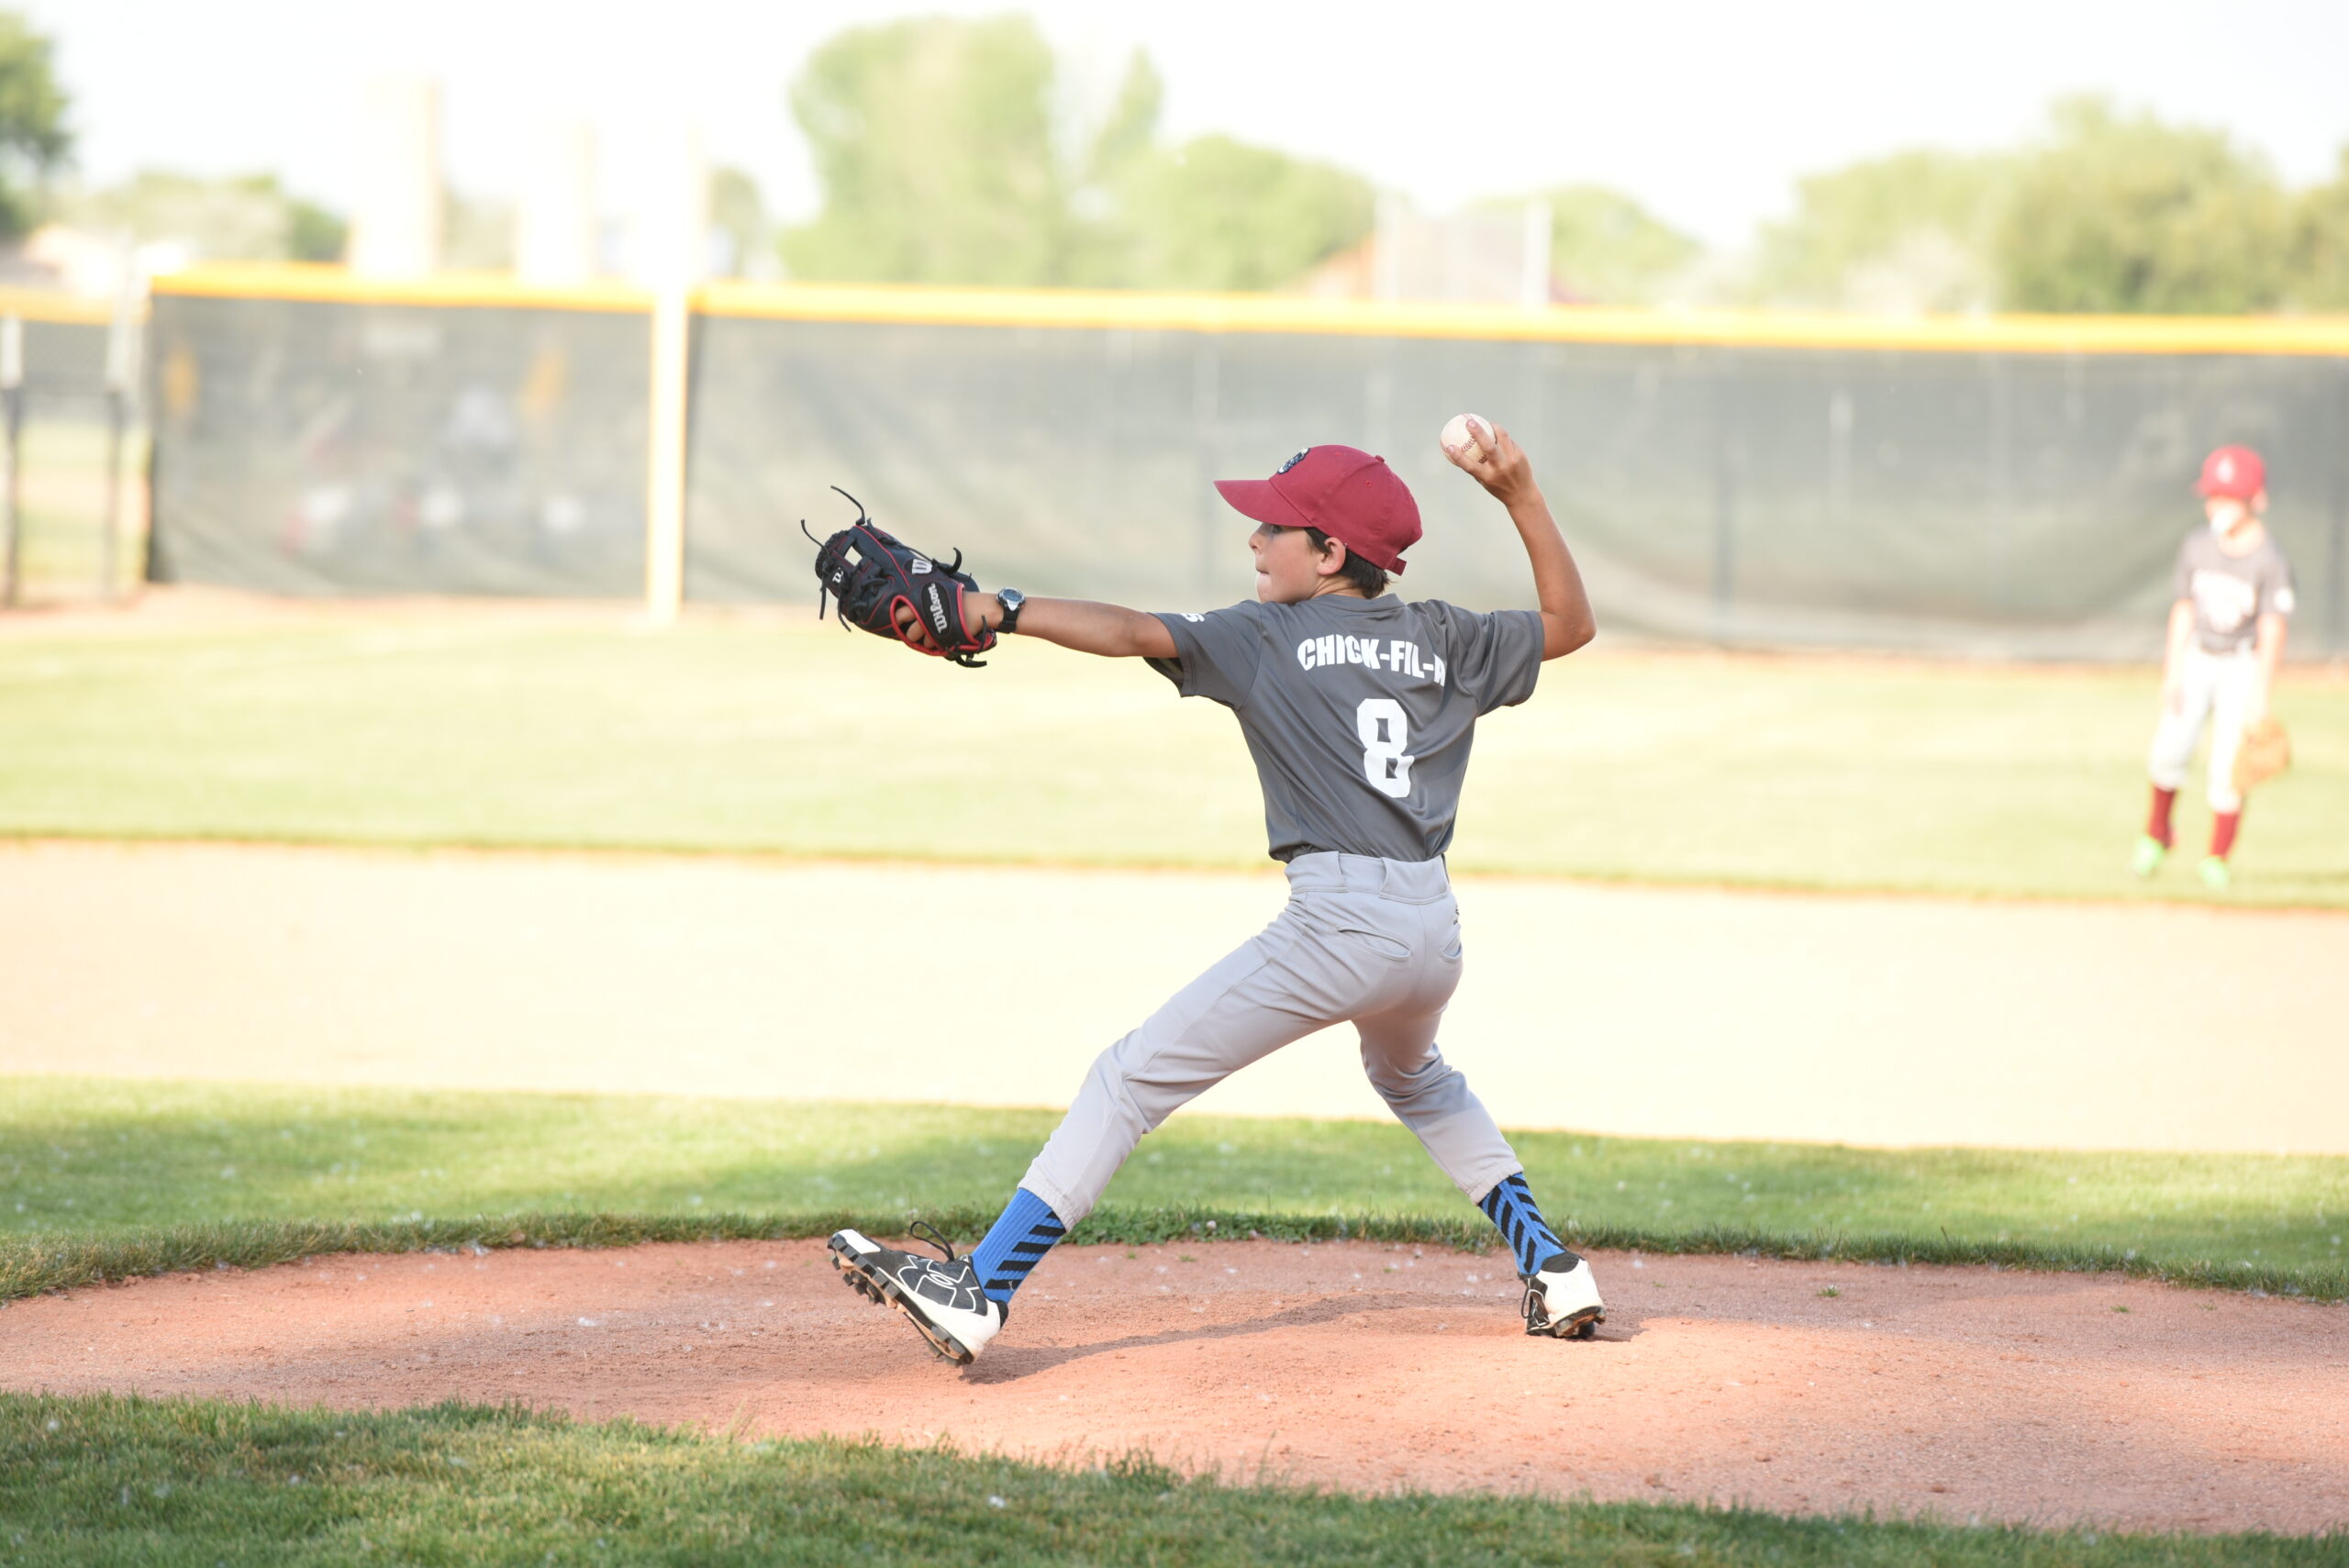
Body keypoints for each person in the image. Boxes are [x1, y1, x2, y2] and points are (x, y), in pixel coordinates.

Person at [828, 420, 1608, 1364]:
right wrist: (1520, 492)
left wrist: (999, 606)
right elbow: (1571, 625)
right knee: (1414, 1075)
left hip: (1338, 924)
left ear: (1328, 553)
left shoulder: (1267, 634)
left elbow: (1126, 632)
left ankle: (980, 1289)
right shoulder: (1444, 634)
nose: (1254, 539)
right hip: (1430, 931)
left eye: (1275, 527)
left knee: (1126, 1078)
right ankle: (1554, 1265)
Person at [2133, 445, 2297, 891]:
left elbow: (2272, 630)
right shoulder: (2197, 546)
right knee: (2168, 751)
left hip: (2240, 667)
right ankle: (2157, 834)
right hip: (2197, 659)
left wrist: (2260, 697)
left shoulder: (2270, 559)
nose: (2217, 505)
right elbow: (2183, 610)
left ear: (2255, 499)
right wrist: (2173, 672)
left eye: (2229, 496)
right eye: (2214, 495)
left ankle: (2216, 858)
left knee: (2230, 769)